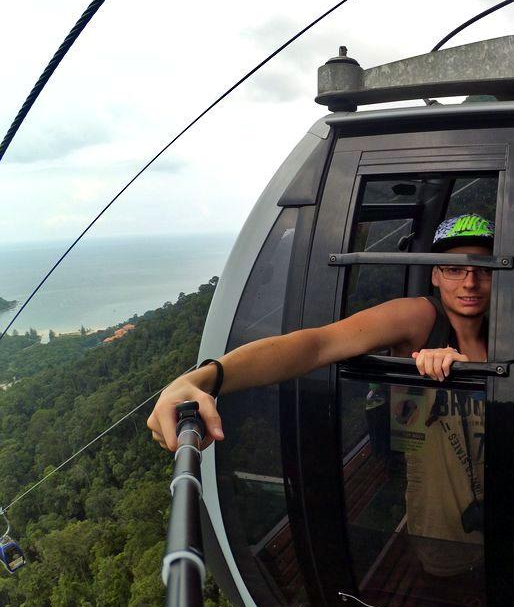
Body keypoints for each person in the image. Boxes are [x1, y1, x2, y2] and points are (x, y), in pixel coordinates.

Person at [146, 213, 495, 577]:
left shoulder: (509, 326)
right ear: (435, 275)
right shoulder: (422, 319)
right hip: (445, 534)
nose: (470, 282)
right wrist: (206, 379)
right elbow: (315, 345)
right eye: (454, 269)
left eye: (483, 269)